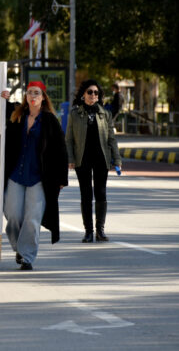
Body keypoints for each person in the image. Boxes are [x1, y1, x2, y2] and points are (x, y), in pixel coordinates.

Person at [2, 81, 68, 270]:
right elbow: (1, 111)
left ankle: (27, 256)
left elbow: (60, 150)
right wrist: (4, 99)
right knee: (12, 214)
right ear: (26, 96)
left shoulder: (50, 121)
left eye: (36, 93)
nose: (33, 96)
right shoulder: (18, 116)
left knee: (32, 218)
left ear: (43, 97)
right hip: (16, 174)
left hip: (39, 178)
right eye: (30, 92)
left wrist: (62, 179)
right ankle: (20, 247)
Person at [65, 80, 122, 243]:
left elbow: (111, 138)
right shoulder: (74, 114)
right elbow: (68, 139)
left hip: (101, 158)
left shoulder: (105, 114)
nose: (93, 95)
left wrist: (117, 159)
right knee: (86, 194)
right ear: (83, 95)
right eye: (90, 92)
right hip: (82, 158)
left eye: (96, 93)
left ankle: (100, 231)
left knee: (101, 193)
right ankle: (88, 231)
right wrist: (70, 158)